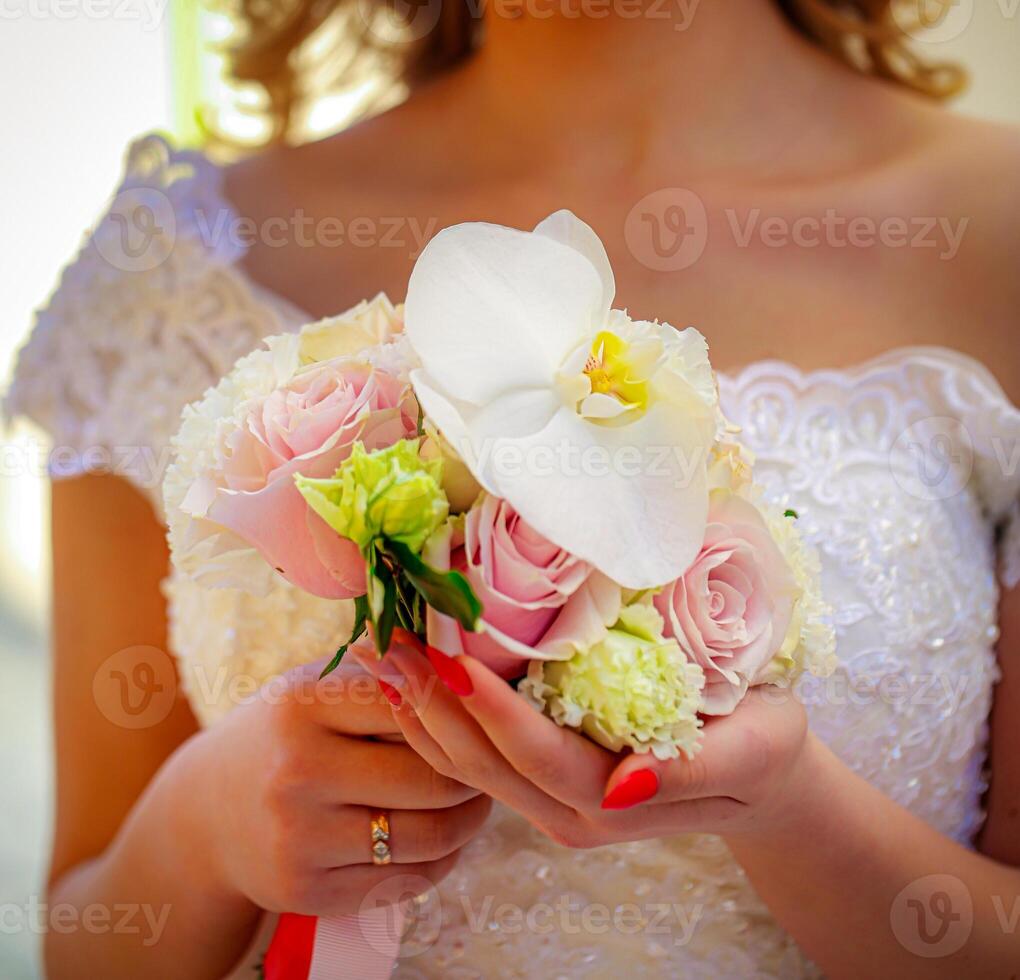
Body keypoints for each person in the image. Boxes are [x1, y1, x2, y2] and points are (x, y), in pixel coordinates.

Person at [6, 1, 1020, 976]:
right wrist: (203, 831)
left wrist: (790, 807)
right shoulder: (172, 273)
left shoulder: (995, 228)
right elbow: (83, 945)